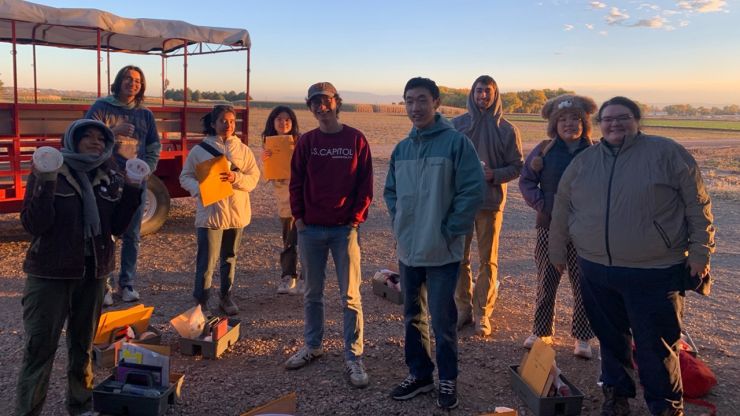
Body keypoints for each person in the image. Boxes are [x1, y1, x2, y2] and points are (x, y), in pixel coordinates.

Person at [549, 96, 715, 416]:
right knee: (611, 340)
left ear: (637, 120)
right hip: (596, 268)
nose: (615, 124)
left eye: (622, 117)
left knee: (656, 344)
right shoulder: (584, 162)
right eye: (608, 119)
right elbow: (562, 209)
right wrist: (557, 249)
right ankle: (616, 395)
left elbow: (698, 205)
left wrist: (700, 252)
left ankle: (665, 405)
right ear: (599, 125)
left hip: (654, 270)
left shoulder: (666, 153)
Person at [15, 119, 143, 415]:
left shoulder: (110, 172)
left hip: (94, 272)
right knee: (40, 348)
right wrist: (45, 182)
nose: (96, 141)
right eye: (88, 136)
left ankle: (81, 405)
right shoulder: (50, 168)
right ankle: (28, 410)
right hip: (50, 272)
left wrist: (134, 190)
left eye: (101, 137)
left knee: (83, 345)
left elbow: (116, 226)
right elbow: (35, 224)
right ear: (73, 139)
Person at [385, 77, 484, 409]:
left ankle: (447, 379)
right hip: (410, 250)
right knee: (413, 314)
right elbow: (391, 192)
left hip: (442, 249)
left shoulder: (456, 144)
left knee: (442, 319)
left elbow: (472, 191)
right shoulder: (402, 149)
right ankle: (420, 374)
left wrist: (451, 229)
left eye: (422, 100)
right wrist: (400, 222)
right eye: (409, 100)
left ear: (436, 103)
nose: (415, 107)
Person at [284, 82, 373, 389]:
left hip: (344, 230)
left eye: (326, 100)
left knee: (350, 296)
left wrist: (355, 220)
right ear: (310, 107)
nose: (321, 107)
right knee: (312, 293)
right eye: (315, 102)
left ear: (337, 103)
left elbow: (365, 184)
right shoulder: (308, 142)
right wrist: (300, 219)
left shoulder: (355, 140)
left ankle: (354, 356)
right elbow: (295, 182)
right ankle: (313, 345)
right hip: (311, 230)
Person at [518, 94, 597, 358]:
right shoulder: (543, 150)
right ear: (554, 124)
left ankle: (583, 337)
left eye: (575, 119)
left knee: (583, 282)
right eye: (563, 119)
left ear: (584, 122)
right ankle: (541, 332)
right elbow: (526, 181)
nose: (569, 124)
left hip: (584, 231)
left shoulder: (597, 153)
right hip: (549, 226)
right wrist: (541, 203)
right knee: (547, 279)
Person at [452, 75, 523, 337]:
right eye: (479, 91)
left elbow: (517, 166)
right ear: (472, 93)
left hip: (490, 203)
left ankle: (483, 312)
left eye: (488, 91)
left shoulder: (507, 129)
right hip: (460, 202)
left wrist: (496, 174)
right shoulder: (456, 125)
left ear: (495, 95)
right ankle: (462, 309)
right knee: (459, 259)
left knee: (488, 261)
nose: (483, 96)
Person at [86, 65, 161, 304]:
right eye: (128, 79)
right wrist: (111, 131)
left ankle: (126, 284)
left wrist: (147, 168)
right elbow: (85, 136)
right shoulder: (102, 107)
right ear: (118, 82)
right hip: (106, 178)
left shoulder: (145, 114)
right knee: (105, 233)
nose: (133, 83)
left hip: (134, 182)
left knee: (132, 235)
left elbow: (153, 146)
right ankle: (104, 286)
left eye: (138, 81)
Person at [179, 105, 260, 315]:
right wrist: (201, 189)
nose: (228, 125)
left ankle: (225, 296)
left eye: (232, 121)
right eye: (223, 121)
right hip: (211, 214)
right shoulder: (199, 151)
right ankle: (201, 301)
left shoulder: (244, 151)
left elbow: (253, 178)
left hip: (236, 213)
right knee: (206, 261)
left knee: (230, 257)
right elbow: (185, 176)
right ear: (213, 123)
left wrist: (236, 178)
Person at [261, 106, 304, 295]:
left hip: (303, 198)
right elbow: (268, 176)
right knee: (288, 240)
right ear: (273, 122)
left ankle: (306, 278)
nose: (283, 123)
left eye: (288, 119)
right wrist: (266, 161)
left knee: (306, 240)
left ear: (293, 123)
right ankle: (288, 277)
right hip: (284, 200)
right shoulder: (269, 145)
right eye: (279, 119)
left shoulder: (301, 143)